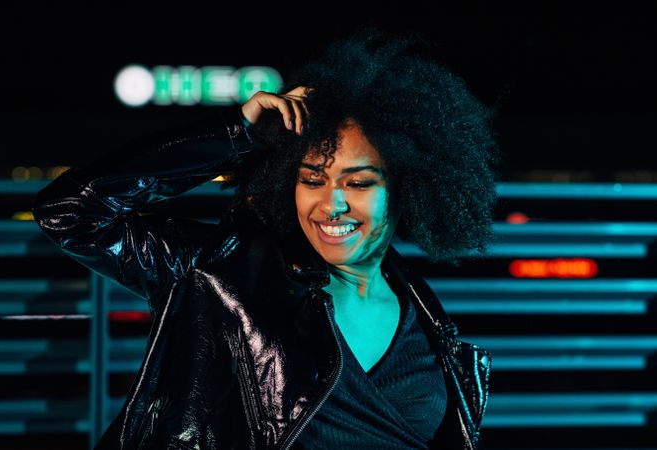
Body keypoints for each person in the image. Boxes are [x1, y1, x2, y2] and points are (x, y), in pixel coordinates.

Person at [33, 26, 499, 450]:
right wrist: (236, 135)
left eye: (358, 184)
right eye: (312, 179)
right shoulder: (222, 273)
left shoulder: (425, 316)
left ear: (406, 190)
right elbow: (71, 211)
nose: (330, 204)